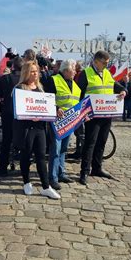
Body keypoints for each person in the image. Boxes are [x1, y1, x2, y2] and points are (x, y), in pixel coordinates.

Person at [12, 60, 60, 199]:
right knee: (26, 156)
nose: (35, 74)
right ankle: (26, 182)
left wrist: (56, 109)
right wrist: (29, 116)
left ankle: (46, 186)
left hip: (40, 128)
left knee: (40, 157)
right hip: (26, 128)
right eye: (32, 71)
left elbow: (45, 105)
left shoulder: (40, 88)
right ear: (26, 73)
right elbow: (15, 109)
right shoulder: (19, 88)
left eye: (36, 71)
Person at [76, 51, 126, 185]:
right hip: (91, 115)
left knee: (102, 142)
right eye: (104, 62)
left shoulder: (107, 73)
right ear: (96, 61)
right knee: (90, 142)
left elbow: (115, 85)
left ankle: (97, 168)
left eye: (107, 63)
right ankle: (84, 171)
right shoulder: (85, 73)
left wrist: (123, 90)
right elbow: (78, 94)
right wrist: (82, 113)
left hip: (106, 114)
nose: (106, 65)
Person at [44, 59, 78, 190]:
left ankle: (61, 173)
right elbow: (47, 98)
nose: (75, 72)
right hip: (56, 120)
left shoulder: (74, 84)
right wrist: (56, 107)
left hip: (69, 121)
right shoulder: (53, 80)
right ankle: (52, 177)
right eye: (73, 70)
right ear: (65, 70)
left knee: (64, 148)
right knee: (56, 149)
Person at [0, 56, 23, 176]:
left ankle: (2, 168)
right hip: (22, 114)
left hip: (8, 112)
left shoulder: (5, 79)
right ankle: (22, 168)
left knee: (6, 141)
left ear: (12, 66)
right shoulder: (25, 80)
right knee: (22, 141)